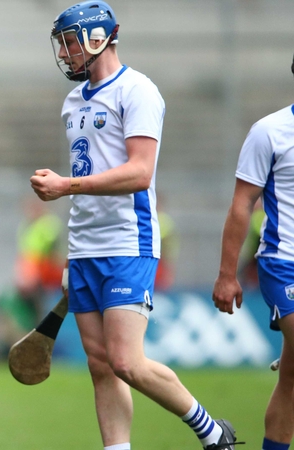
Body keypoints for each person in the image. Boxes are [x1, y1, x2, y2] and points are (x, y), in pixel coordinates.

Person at [29, 2, 238, 449]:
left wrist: (66, 185)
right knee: (101, 365)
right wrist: (71, 253)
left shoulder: (137, 91)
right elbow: (90, 178)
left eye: (69, 42)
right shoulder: (72, 102)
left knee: (127, 361)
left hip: (128, 242)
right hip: (85, 249)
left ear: (97, 38)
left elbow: (140, 172)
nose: (64, 53)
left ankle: (213, 432)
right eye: (62, 44)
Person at [212, 54, 294, 450]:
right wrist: (228, 274)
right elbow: (242, 204)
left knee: (292, 375)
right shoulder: (270, 132)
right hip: (284, 262)